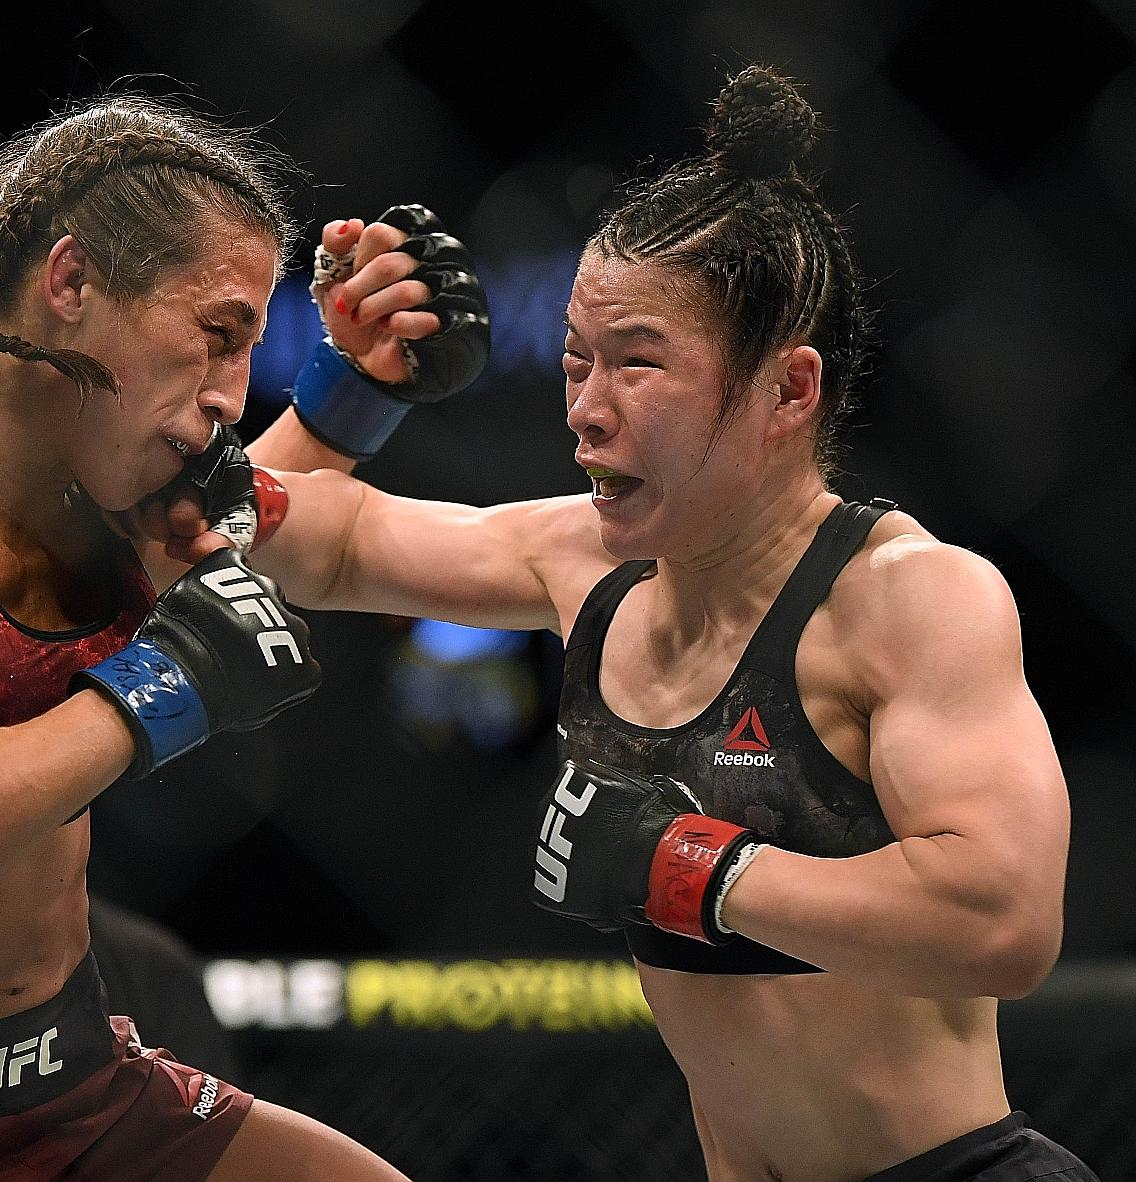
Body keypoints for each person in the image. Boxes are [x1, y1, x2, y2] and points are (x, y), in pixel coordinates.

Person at [181, 65, 1094, 1181]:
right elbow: (306, 540)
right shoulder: (585, 563)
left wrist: (688, 866)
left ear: (788, 393)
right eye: (576, 360)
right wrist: (349, 387)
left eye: (637, 363)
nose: (586, 408)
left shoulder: (908, 596)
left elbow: (1003, 924)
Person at [0, 89, 488, 1182]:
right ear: (70, 283)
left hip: (81, 1090)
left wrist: (353, 390)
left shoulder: (108, 478)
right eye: (216, 336)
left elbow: (241, 517)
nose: (226, 398)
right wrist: (169, 682)